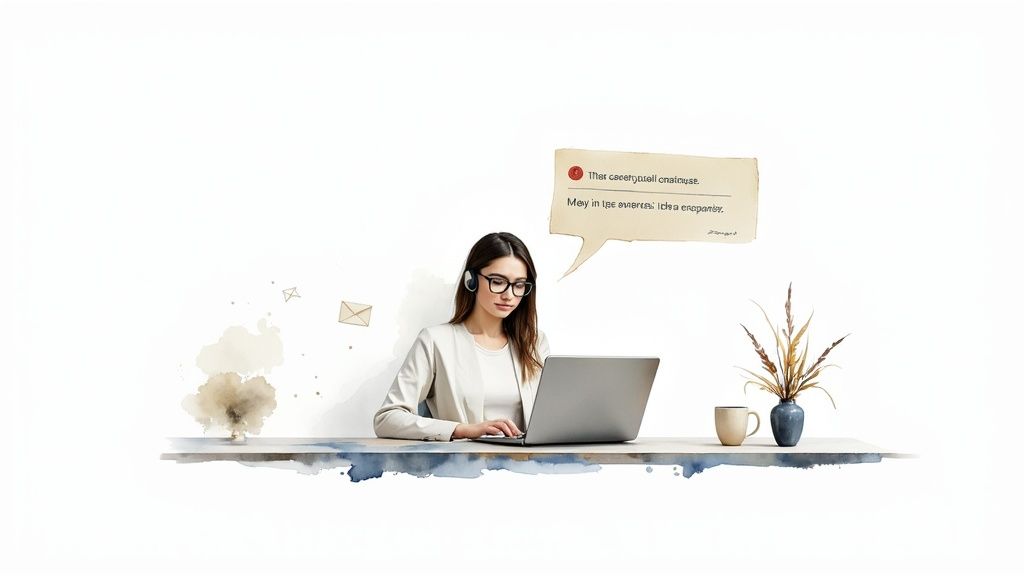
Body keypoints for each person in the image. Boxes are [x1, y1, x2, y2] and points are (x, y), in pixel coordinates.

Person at [373, 232, 549, 441]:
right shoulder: (435, 341)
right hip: (464, 466)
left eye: (519, 285)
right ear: (471, 280)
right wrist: (463, 429)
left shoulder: (534, 342)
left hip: (530, 466)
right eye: (498, 281)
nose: (509, 295)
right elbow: (387, 419)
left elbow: (549, 416)